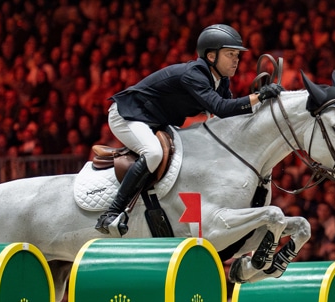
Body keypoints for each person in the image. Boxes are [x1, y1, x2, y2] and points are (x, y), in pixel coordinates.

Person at [94, 24, 284, 235]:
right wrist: (259, 96)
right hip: (127, 115)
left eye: (237, 55)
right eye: (230, 54)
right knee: (154, 153)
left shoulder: (220, 80)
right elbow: (220, 108)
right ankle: (111, 214)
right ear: (211, 56)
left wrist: (263, 103)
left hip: (156, 120)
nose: (236, 60)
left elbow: (230, 118)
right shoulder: (194, 74)